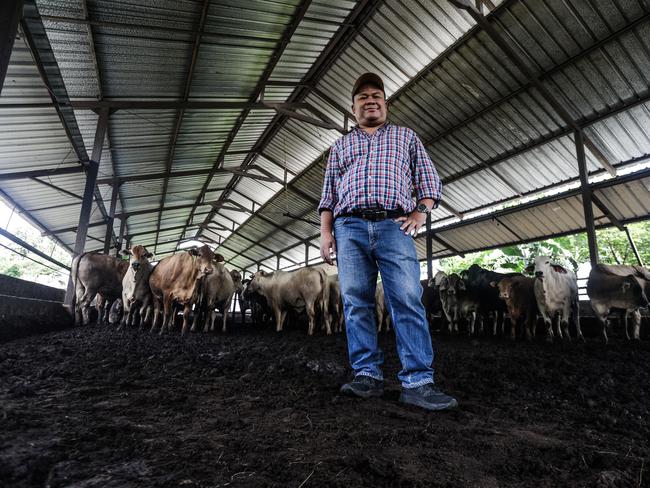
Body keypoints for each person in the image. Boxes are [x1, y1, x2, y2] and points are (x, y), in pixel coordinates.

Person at [318, 73, 458, 411]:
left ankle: (418, 382)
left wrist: (420, 213)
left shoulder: (405, 137)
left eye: (376, 95)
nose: (370, 100)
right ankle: (367, 375)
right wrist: (326, 232)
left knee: (407, 299)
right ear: (353, 108)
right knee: (355, 301)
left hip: (393, 225)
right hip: (348, 227)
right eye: (362, 96)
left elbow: (429, 182)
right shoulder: (340, 147)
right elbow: (328, 196)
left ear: (385, 103)